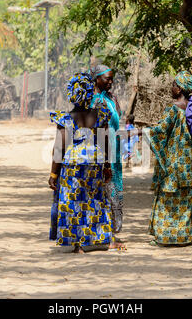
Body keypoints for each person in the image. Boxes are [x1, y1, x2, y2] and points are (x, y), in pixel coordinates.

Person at [48, 72, 115, 253]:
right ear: (89, 92)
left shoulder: (66, 118)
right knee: (94, 200)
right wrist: (107, 165)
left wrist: (53, 174)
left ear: (72, 94)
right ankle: (96, 238)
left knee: (73, 202)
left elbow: (59, 148)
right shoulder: (100, 115)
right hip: (95, 163)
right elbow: (106, 142)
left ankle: (77, 243)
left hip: (72, 165)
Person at [145, 70, 192, 246]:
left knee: (167, 201)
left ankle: (165, 237)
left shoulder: (174, 109)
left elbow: (160, 132)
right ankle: (184, 237)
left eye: (174, 84)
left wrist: (145, 132)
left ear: (179, 89)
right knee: (185, 202)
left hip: (173, 165)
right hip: (190, 166)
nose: (171, 87)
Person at [89, 65, 126, 241]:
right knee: (104, 190)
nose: (111, 82)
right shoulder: (94, 101)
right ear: (96, 79)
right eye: (107, 79)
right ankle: (103, 233)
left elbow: (115, 124)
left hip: (114, 150)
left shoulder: (110, 99)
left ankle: (109, 231)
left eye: (112, 79)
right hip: (102, 151)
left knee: (113, 189)